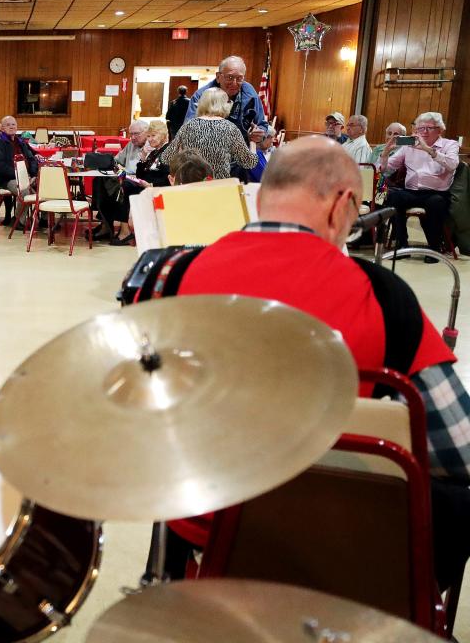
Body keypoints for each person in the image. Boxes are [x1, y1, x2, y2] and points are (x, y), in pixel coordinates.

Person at [140, 136, 470, 592]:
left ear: (263, 197)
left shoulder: (169, 276)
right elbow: (459, 451)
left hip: (200, 534)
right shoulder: (384, 296)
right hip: (332, 556)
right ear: (343, 205)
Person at [379, 111, 460, 261]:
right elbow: (386, 170)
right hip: (412, 191)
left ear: (440, 130)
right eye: (420, 128)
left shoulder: (450, 145)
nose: (423, 132)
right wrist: (385, 154)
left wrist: (428, 150)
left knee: (435, 203)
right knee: (393, 196)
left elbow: (452, 165)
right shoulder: (409, 146)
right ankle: (402, 245)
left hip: (437, 193)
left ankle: (434, 249)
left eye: (428, 128)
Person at [163, 88, 257, 180]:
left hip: (192, 187)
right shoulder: (230, 128)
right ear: (225, 105)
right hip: (218, 188)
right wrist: (252, 142)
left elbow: (166, 158)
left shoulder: (188, 126)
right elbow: (249, 162)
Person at [184, 56, 268, 145]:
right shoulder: (201, 96)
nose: (234, 83)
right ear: (218, 77)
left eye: (239, 78)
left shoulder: (251, 95)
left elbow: (262, 125)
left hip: (241, 151)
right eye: (230, 77)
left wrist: (259, 135)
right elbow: (188, 129)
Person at [0, 116, 38, 227]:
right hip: (8, 180)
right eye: (8, 125)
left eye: (14, 124)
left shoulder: (20, 142)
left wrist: (34, 174)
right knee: (25, 192)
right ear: (1, 128)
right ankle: (17, 221)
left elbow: (32, 158)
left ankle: (45, 220)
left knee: (45, 187)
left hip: (28, 177)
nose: (11, 127)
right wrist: (21, 177)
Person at [369, 122, 407, 195]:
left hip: (391, 185)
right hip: (374, 181)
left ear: (403, 137)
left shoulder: (403, 150)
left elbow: (388, 173)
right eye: (389, 133)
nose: (391, 137)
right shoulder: (378, 148)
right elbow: (369, 168)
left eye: (396, 134)